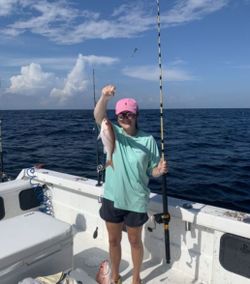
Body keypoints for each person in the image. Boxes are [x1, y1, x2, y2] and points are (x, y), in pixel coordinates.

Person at [94, 84, 168, 284]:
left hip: (136, 199)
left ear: (136, 116)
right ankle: (115, 274)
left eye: (129, 114)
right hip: (112, 196)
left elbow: (151, 170)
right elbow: (99, 115)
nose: (124, 118)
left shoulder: (148, 140)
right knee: (113, 240)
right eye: (120, 115)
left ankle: (136, 277)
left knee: (135, 241)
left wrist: (158, 171)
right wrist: (104, 97)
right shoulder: (112, 131)